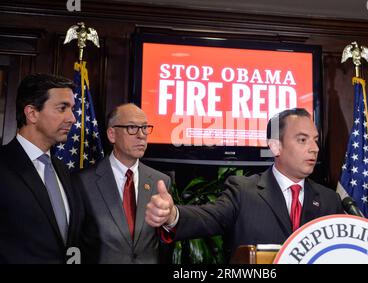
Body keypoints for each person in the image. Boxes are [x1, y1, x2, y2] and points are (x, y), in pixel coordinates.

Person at [145, 108, 343, 261]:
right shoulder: (244, 191)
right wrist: (172, 216)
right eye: (302, 140)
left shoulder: (329, 200)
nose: (315, 148)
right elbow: (208, 217)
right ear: (275, 146)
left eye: (315, 140)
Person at [72, 103, 171, 263]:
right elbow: (74, 243)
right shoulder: (82, 182)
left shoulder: (160, 182)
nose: (142, 135)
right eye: (132, 127)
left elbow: (164, 243)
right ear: (112, 134)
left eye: (145, 128)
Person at [0, 73, 83, 263]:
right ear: (32, 113)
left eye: (72, 109)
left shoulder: (62, 169)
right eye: (62, 108)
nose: (72, 118)